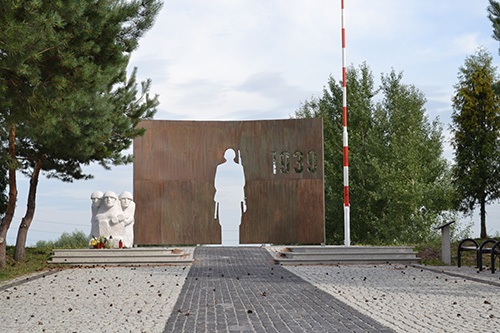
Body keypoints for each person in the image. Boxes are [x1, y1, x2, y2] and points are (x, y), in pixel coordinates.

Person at [214, 148, 246, 245]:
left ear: (225, 156)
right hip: (234, 198)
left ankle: (227, 243)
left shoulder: (220, 168)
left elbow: (217, 184)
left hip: (225, 199)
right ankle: (233, 243)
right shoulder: (239, 168)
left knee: (225, 222)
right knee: (234, 222)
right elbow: (242, 183)